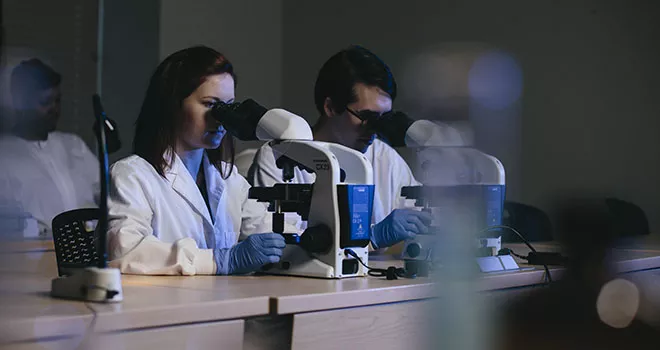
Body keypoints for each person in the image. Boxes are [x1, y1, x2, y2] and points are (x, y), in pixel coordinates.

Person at [107, 46, 287, 275]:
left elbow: (265, 233)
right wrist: (219, 260)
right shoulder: (132, 176)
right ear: (173, 105)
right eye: (210, 104)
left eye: (228, 106)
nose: (221, 118)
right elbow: (125, 251)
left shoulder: (228, 178)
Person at [247, 45, 431, 250]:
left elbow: (418, 219)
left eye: (383, 119)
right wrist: (370, 237)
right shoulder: (280, 156)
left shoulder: (384, 157)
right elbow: (279, 244)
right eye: (367, 117)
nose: (374, 129)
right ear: (331, 107)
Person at [0, 59, 98, 237]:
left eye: (57, 101)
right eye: (45, 102)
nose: (54, 109)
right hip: (37, 256)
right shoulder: (5, 156)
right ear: (20, 103)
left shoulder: (74, 145)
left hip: (88, 250)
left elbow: (106, 194)